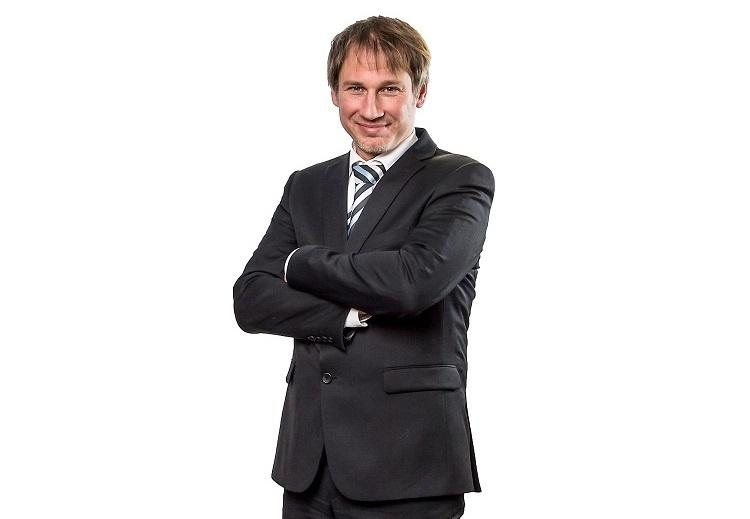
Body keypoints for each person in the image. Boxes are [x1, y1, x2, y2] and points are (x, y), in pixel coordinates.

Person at [233, 15, 494, 519]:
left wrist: (298, 262)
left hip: (409, 463)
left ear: (420, 92)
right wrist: (347, 314)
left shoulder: (460, 179)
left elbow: (412, 283)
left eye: (389, 89)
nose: (371, 109)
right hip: (309, 464)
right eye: (355, 88)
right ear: (334, 93)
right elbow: (250, 299)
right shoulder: (306, 185)